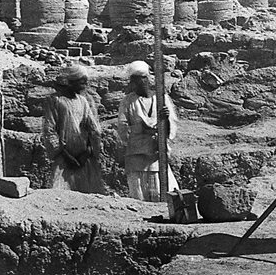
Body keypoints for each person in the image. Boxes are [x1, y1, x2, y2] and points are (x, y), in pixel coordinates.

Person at [117, 60, 179, 202]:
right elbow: (122, 129)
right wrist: (139, 128)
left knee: (163, 192)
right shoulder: (127, 102)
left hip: (157, 155)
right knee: (139, 196)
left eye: (139, 80)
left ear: (146, 79)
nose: (136, 84)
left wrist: (165, 119)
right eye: (134, 81)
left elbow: (171, 128)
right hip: (136, 156)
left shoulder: (161, 99)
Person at [41, 64, 104, 193]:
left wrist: (88, 151)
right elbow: (49, 130)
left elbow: (93, 128)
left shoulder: (83, 101)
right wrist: (65, 155)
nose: (85, 86)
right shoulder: (55, 101)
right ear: (71, 82)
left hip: (84, 159)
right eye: (82, 83)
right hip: (64, 159)